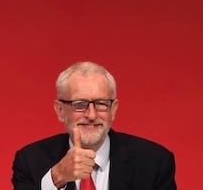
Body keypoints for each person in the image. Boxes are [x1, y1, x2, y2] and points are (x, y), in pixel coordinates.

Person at [11, 61, 177, 190]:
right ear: (60, 110)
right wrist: (57, 178)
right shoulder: (30, 161)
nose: (91, 115)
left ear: (114, 109)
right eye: (80, 104)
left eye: (101, 103)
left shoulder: (155, 162)